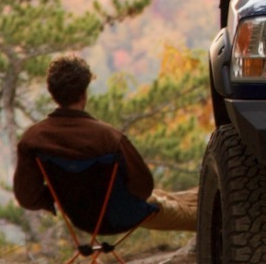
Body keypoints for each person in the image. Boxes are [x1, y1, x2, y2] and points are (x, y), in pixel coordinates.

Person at [13, 55, 198, 232]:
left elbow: (27, 197)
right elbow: (143, 187)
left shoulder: (33, 138)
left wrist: (58, 195)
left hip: (81, 218)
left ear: (52, 94)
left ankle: (207, 193)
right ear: (83, 94)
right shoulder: (108, 137)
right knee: (190, 211)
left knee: (174, 197)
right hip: (120, 215)